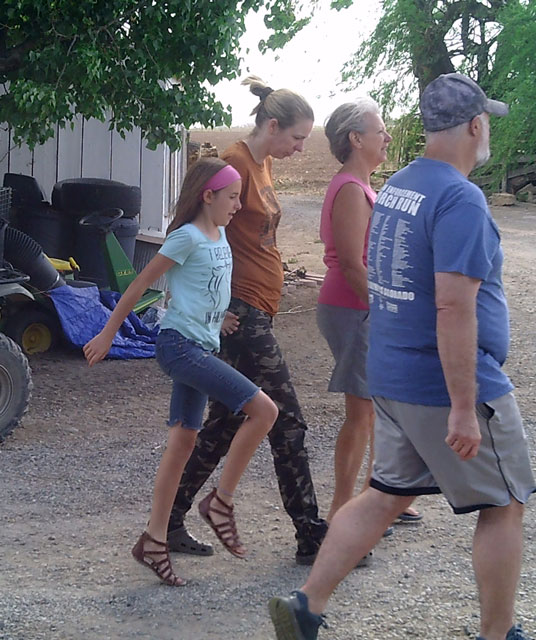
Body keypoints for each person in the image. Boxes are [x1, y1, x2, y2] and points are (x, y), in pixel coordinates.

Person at [268, 73, 536, 640]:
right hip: (446, 383)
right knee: (504, 501)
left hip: (394, 375)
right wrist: (464, 406)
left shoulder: (399, 186)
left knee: (385, 495)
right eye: (486, 121)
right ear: (474, 125)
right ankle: (498, 634)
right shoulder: (459, 198)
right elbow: (453, 306)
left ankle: (306, 605)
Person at [84, 158, 278, 586]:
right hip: (179, 347)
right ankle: (221, 502)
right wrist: (107, 334)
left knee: (183, 442)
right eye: (232, 197)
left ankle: (154, 540)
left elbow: (201, 288)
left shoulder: (219, 234)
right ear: (207, 196)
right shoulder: (186, 236)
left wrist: (218, 318)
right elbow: (138, 285)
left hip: (200, 343)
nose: (238, 205)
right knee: (265, 411)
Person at [166, 76, 329, 565]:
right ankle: (310, 535)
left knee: (225, 421)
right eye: (297, 137)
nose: (301, 148)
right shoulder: (234, 163)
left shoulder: (263, 164)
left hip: (259, 308)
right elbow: (193, 228)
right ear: (272, 126)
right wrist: (214, 308)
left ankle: (167, 520)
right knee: (286, 419)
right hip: (241, 314)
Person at [316, 99, 421, 526]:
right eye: (381, 131)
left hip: (359, 306)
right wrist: (386, 311)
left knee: (378, 408)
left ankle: (380, 497)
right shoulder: (350, 189)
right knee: (360, 414)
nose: (388, 137)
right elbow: (351, 264)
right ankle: (343, 514)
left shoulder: (359, 186)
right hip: (353, 308)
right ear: (356, 139)